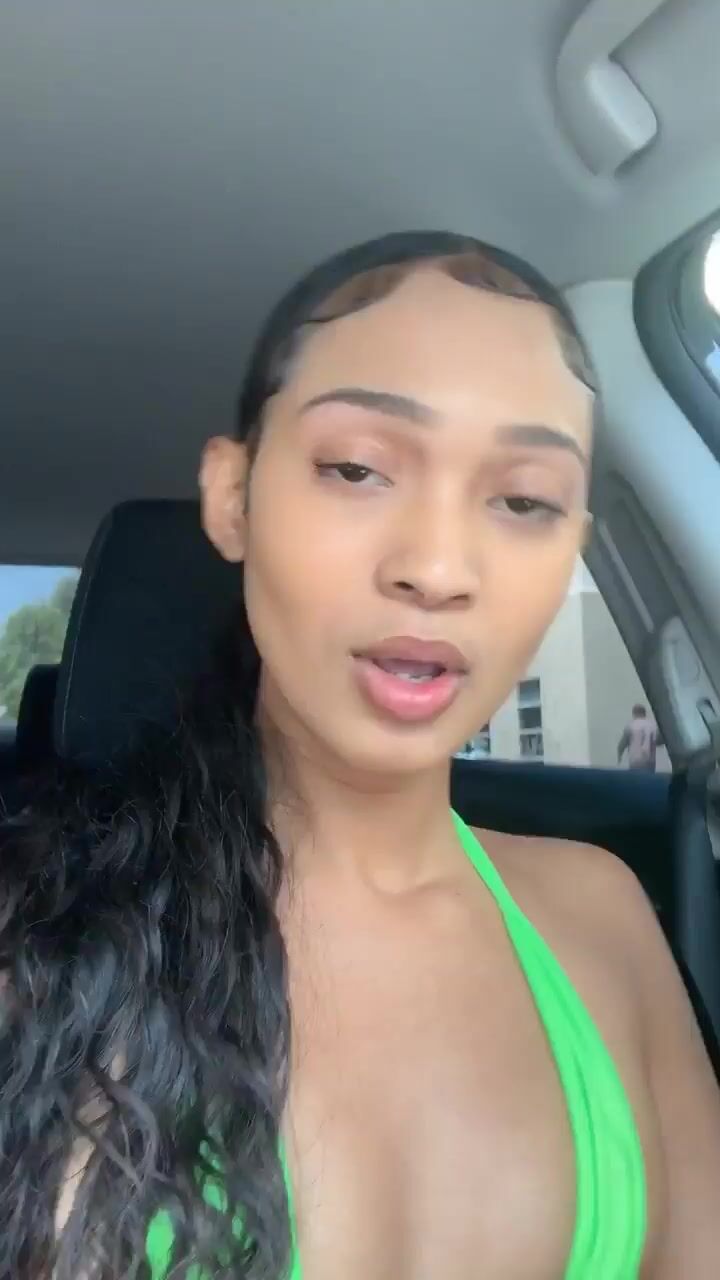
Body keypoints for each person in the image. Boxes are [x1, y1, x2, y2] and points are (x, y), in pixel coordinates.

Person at [2, 231, 720, 1280]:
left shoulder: (605, 919)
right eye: (355, 468)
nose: (437, 566)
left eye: (524, 499)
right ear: (234, 496)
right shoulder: (38, 935)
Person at [618, 703, 659, 772]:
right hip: (650, 762)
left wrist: (619, 755)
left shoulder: (630, 726)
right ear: (645, 713)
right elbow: (659, 741)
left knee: (636, 777)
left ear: (634, 713)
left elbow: (622, 744)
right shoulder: (653, 726)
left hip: (635, 761)